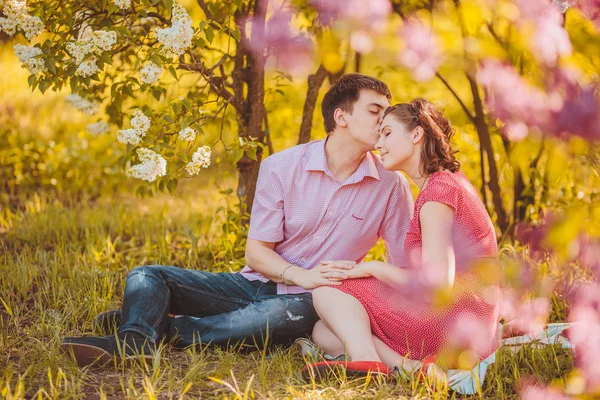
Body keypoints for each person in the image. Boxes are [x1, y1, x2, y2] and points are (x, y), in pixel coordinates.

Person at [59, 73, 415, 367]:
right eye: (375, 111)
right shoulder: (282, 166)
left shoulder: (391, 185)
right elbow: (257, 253)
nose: (385, 122)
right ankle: (135, 341)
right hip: (256, 283)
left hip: (316, 301)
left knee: (276, 319)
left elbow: (404, 267)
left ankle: (157, 325)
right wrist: (299, 274)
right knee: (146, 276)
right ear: (342, 117)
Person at [304, 98, 499, 380]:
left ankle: (367, 362)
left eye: (387, 133)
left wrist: (371, 268)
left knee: (327, 288)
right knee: (324, 332)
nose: (378, 143)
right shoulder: (444, 183)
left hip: (454, 326)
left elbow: (436, 285)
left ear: (416, 134)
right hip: (468, 327)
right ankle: (412, 369)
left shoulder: (438, 195)